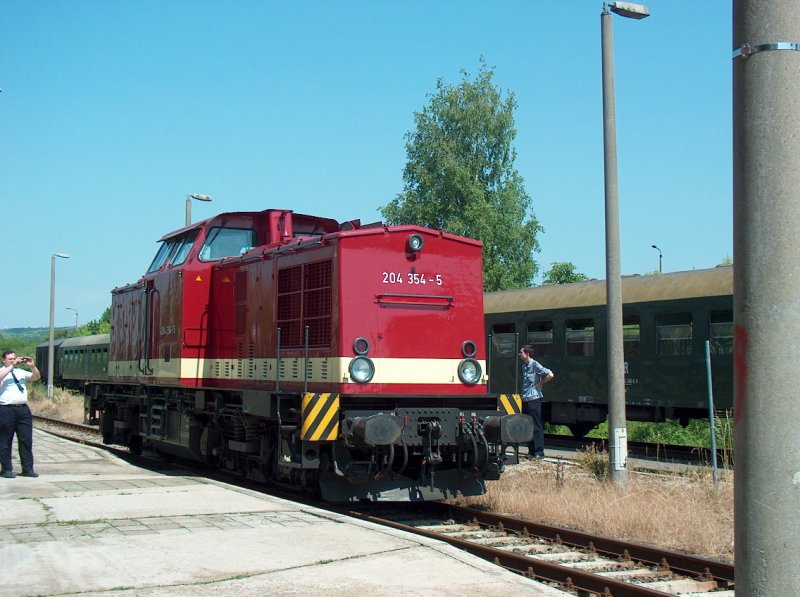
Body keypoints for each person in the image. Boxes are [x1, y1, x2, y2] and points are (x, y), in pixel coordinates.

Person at [0, 350, 41, 478]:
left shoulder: (20, 372)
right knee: (5, 440)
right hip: (6, 409)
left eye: (14, 358)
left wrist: (33, 366)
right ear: (4, 360)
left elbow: (36, 377)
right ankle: (6, 469)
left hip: (23, 409)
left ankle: (27, 468)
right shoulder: (3, 371)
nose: (13, 360)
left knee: (26, 439)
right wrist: (12, 366)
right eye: (10, 359)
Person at [519, 344, 554, 460]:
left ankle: (539, 452)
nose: (520, 354)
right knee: (528, 426)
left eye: (521, 352)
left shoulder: (535, 365)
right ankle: (531, 451)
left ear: (527, 354)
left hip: (534, 399)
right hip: (525, 399)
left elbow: (550, 374)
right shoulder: (524, 366)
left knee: (536, 426)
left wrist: (541, 383)